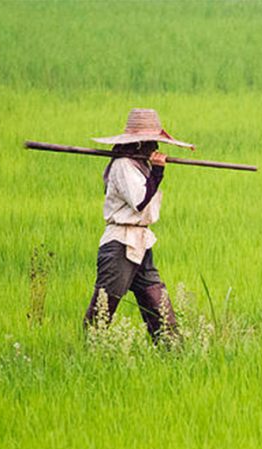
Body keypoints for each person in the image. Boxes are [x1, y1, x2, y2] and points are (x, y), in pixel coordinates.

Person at [83, 108, 195, 344]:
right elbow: (140, 201)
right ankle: (88, 352)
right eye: (151, 142)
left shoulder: (138, 164)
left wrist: (154, 171)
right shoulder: (123, 165)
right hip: (120, 245)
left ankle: (173, 351)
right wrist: (159, 172)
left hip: (140, 243)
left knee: (157, 301)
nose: (155, 147)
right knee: (104, 307)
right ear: (137, 143)